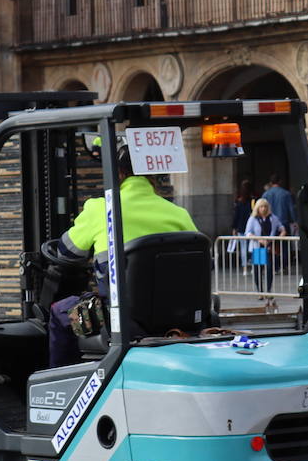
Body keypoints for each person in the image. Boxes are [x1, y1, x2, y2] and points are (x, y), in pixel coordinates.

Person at [47, 146, 197, 367]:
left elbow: (66, 252)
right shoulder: (179, 214)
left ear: (118, 174)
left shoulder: (101, 208)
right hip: (176, 318)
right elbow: (203, 267)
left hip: (117, 319)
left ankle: (60, 385)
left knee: (60, 312)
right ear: (153, 176)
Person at [245, 197, 286, 297]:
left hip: (269, 247)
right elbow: (248, 233)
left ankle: (268, 290)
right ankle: (260, 291)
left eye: (265, 207)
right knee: (258, 269)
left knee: (269, 269)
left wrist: (281, 235)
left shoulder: (273, 218)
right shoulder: (253, 219)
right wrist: (259, 239)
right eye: (261, 207)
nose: (263, 209)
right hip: (257, 247)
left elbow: (281, 227)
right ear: (257, 208)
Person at [230, 179, 254, 272]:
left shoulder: (239, 201)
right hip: (251, 227)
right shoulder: (252, 201)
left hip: (241, 228)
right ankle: (252, 267)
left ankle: (244, 269)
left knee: (243, 248)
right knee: (252, 247)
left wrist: (234, 228)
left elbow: (236, 216)